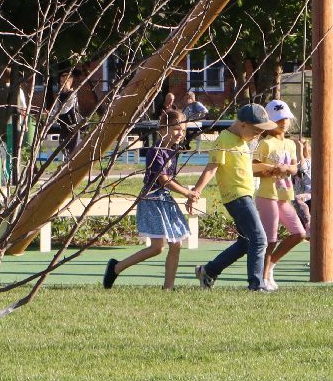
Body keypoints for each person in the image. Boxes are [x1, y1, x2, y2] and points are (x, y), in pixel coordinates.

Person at [104, 110, 198, 290]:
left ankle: (168, 287)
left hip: (164, 199)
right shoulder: (156, 152)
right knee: (157, 248)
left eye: (183, 130)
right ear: (163, 129)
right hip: (152, 199)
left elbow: (171, 178)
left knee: (176, 244)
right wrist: (186, 193)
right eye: (177, 129)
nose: (181, 133)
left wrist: (189, 192)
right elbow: (163, 180)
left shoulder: (173, 151)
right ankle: (116, 267)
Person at [192, 103, 279, 291]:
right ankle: (256, 285)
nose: (259, 135)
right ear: (243, 124)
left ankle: (209, 271)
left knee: (246, 242)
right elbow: (212, 167)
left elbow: (244, 167)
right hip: (237, 197)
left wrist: (269, 169)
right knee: (259, 238)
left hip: (245, 195)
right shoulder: (224, 139)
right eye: (256, 131)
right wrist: (196, 192)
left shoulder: (242, 141)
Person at [255, 99, 307, 290]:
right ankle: (262, 277)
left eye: (286, 118)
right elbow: (253, 167)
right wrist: (270, 169)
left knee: (299, 233)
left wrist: (288, 168)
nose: (284, 122)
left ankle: (271, 266)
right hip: (268, 195)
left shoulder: (291, 144)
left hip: (284, 195)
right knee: (271, 239)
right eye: (279, 119)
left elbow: (294, 168)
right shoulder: (265, 144)